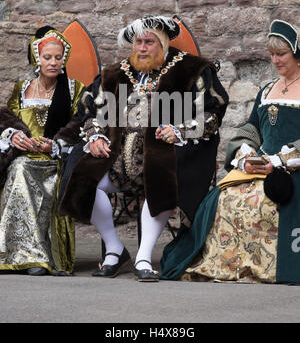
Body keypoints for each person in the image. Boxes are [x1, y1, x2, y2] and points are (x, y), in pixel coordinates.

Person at [59, 15, 228, 281]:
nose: (142, 48)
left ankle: (143, 256)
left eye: (149, 42)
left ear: (162, 44)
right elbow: (90, 113)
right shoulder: (114, 74)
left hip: (164, 152)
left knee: (161, 172)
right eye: (138, 42)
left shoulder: (191, 71)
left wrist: (179, 130)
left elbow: (212, 114)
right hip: (117, 157)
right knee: (81, 173)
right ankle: (115, 249)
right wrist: (95, 137)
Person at [160, 19, 300, 285]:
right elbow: (251, 128)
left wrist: (279, 161)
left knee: (260, 203)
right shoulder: (267, 90)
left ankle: (268, 264)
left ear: (296, 52)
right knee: (225, 198)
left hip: (291, 168)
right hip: (259, 165)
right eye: (271, 54)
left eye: (281, 54)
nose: (275, 60)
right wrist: (246, 155)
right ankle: (231, 264)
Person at [0, 26, 84, 275]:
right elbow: (6, 121)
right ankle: (21, 254)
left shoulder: (73, 89)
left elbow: (81, 123)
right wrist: (14, 136)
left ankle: (37, 256)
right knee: (19, 168)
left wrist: (54, 144)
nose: (54, 62)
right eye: (48, 57)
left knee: (22, 170)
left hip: (56, 159)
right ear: (38, 58)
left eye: (58, 58)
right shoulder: (21, 88)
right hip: (24, 157)